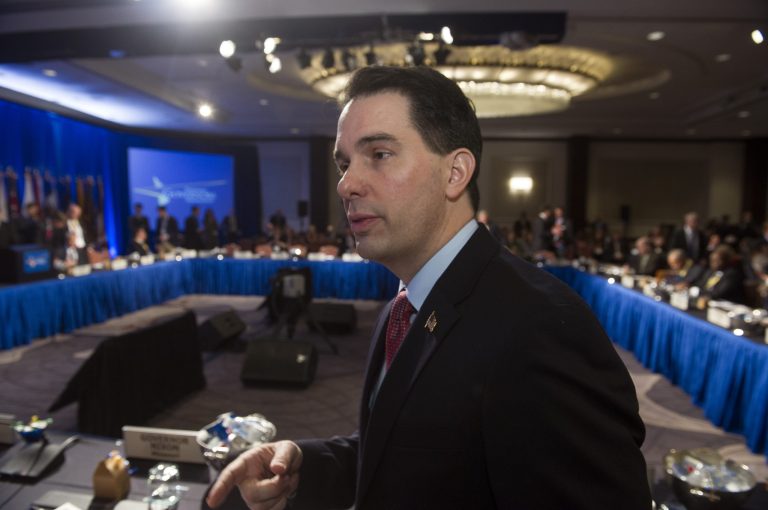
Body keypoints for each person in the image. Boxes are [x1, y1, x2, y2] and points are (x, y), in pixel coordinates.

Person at [207, 66, 650, 510]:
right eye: (344, 163)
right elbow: (404, 453)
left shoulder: (541, 328)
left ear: (455, 173)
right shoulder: (404, 305)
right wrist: (304, 466)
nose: (346, 184)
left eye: (379, 154)